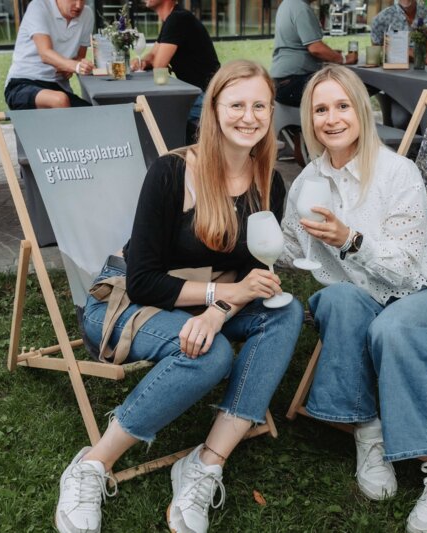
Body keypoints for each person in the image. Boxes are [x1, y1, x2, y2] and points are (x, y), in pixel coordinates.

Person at [54, 60, 304, 533]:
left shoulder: (269, 180)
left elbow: (252, 272)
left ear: (272, 112)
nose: (248, 117)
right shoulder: (171, 172)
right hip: (128, 300)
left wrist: (215, 312)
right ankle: (92, 464)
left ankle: (205, 464)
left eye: (259, 106)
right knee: (210, 358)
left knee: (285, 311)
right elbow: (145, 278)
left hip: (201, 299)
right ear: (213, 108)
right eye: (236, 104)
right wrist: (218, 297)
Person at [281, 65, 427, 533]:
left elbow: (406, 267)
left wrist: (350, 239)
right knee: (338, 300)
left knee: (392, 325)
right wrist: (246, 238)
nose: (331, 118)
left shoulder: (397, 172)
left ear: (361, 111)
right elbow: (290, 247)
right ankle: (368, 432)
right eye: (320, 109)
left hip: (421, 296)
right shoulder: (307, 181)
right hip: (360, 300)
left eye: (342, 105)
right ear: (309, 119)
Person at [133, 0, 220, 133]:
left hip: (205, 99)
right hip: (197, 93)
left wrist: (153, 62)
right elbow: (152, 55)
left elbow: (159, 65)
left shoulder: (178, 19)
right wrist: (144, 62)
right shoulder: (171, 19)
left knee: (153, 118)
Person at [4, 0, 94, 110]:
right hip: (22, 83)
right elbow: (45, 54)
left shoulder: (87, 14)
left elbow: (79, 57)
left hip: (58, 86)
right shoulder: (38, 6)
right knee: (59, 100)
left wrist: (73, 66)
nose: (79, 5)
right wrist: (75, 66)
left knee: (92, 114)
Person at [271, 0, 358, 107]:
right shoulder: (300, 7)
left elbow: (298, 44)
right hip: (295, 79)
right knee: (347, 91)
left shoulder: (287, 4)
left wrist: (330, 54)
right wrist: (344, 59)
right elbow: (316, 49)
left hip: (282, 81)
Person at [370, 0, 427, 66]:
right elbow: (375, 55)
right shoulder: (380, 19)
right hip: (392, 74)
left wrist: (393, 49)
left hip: (423, 76)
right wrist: (417, 54)